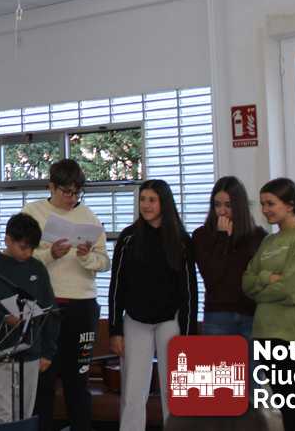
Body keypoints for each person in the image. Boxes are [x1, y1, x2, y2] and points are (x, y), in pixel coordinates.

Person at [22, 159, 110, 431]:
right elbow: (22, 256)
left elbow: (104, 261)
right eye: (66, 192)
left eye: (76, 192)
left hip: (83, 305)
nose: (72, 198)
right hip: (46, 305)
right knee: (44, 381)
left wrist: (86, 257)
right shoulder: (33, 212)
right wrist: (51, 253)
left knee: (77, 380)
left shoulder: (89, 217)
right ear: (51, 186)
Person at [109, 179, 198, 431]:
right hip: (135, 321)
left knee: (175, 390)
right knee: (133, 391)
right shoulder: (128, 238)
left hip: (170, 322)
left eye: (152, 200)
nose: (146, 205)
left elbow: (189, 291)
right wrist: (115, 329)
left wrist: (189, 333)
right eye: (142, 199)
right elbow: (116, 286)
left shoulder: (181, 240)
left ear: (164, 203)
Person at [242, 178, 295, 431]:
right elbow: (246, 283)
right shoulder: (268, 242)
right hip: (266, 333)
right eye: (263, 204)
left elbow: (289, 291)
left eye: (271, 204)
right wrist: (268, 278)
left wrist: (261, 285)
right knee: (288, 408)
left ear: (290, 205)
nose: (265, 209)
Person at [0, 213, 59, 423]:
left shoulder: (37, 268)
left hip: (30, 352)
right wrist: (5, 318)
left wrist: (48, 352)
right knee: (1, 412)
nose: (28, 253)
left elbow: (50, 310)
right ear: (8, 240)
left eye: (32, 248)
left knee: (24, 412)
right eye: (23, 247)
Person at [193, 176, 266, 338]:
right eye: (217, 205)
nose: (222, 211)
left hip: (250, 315)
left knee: (253, 364)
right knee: (222, 364)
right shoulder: (201, 236)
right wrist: (222, 238)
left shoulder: (257, 236)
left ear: (239, 206)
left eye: (228, 205)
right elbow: (211, 277)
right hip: (218, 315)